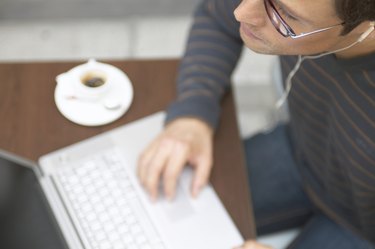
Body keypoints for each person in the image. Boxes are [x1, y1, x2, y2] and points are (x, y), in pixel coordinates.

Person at [137, 0, 375, 248]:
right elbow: (217, 18)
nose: (242, 12)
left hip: (362, 230)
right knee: (144, 205)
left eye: (283, 14)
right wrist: (193, 113)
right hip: (301, 154)